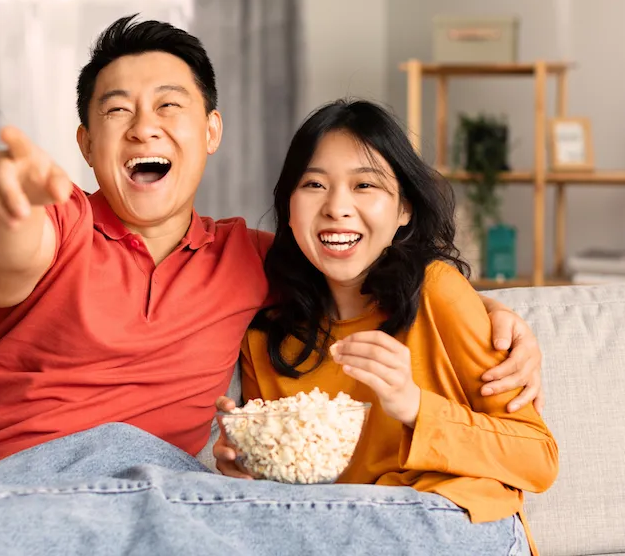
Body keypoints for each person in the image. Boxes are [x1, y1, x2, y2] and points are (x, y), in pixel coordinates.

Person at [0, 16, 545, 556]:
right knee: (121, 451)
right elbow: (9, 253)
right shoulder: (60, 220)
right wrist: (6, 199)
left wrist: (489, 311)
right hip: (8, 487)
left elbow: (364, 264)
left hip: (145, 508)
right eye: (118, 110)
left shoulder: (259, 262)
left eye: (169, 106)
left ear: (210, 131)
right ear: (85, 142)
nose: (144, 127)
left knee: (143, 466)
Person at [213, 99, 557, 555]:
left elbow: (538, 458)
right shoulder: (267, 336)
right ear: (290, 208)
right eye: (315, 183)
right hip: (344, 529)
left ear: (404, 210)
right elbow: (293, 492)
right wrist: (247, 464)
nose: (337, 207)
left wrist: (415, 406)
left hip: (453, 522)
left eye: (365, 186)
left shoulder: (438, 293)